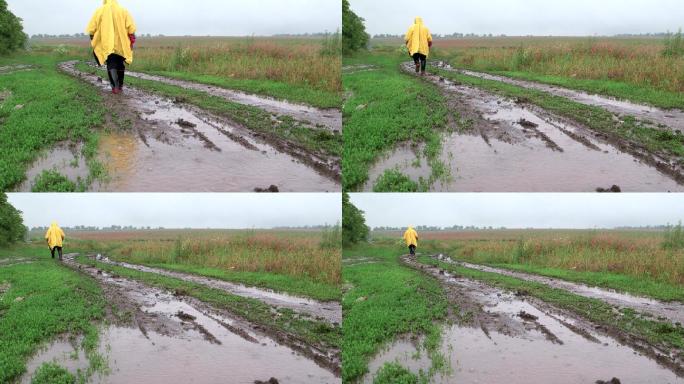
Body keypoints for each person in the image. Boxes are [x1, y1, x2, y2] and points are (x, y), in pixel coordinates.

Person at [87, 0, 137, 94]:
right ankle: (120, 86)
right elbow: (131, 28)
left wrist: (94, 39)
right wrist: (131, 39)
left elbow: (91, 29)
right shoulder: (123, 11)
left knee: (111, 63)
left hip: (107, 44)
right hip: (122, 44)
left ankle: (115, 87)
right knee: (120, 63)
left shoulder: (100, 11)